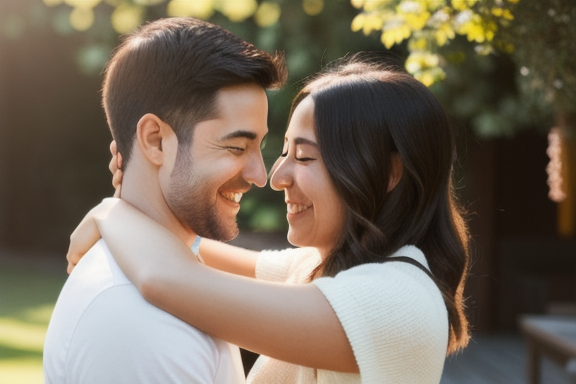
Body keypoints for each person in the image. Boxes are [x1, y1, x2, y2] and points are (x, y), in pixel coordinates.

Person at [68, 56, 471, 383]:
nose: (276, 178)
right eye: (284, 153)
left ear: (388, 174)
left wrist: (111, 211)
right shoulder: (320, 268)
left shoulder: (399, 300)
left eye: (305, 157)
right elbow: (189, 250)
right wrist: (138, 193)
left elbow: (168, 279)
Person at [43, 17, 286, 384]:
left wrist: (114, 212)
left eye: (259, 147)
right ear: (156, 140)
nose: (258, 174)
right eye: (237, 147)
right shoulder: (135, 319)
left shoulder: (178, 285)